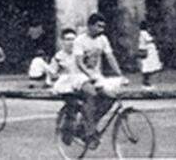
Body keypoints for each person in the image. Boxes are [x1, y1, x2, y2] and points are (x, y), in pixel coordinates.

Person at [74, 12, 125, 143]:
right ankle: (88, 131)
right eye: (98, 26)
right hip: (80, 76)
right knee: (91, 94)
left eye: (103, 27)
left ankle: (88, 123)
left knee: (111, 97)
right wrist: (89, 74)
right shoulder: (80, 40)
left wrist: (120, 74)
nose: (101, 30)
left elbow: (110, 57)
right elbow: (79, 63)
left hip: (96, 76)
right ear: (90, 26)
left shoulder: (103, 39)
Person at [48, 27, 85, 95]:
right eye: (68, 39)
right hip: (65, 84)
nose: (71, 42)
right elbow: (52, 73)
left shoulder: (81, 55)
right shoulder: (58, 57)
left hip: (81, 83)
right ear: (62, 41)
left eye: (73, 39)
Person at [137, 20, 163, 87]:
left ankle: (147, 81)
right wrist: (155, 38)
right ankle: (146, 82)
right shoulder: (144, 33)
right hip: (148, 51)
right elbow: (149, 40)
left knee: (149, 66)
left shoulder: (143, 33)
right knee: (148, 66)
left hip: (149, 50)